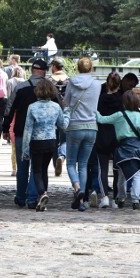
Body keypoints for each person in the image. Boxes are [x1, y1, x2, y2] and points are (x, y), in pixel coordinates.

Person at [2, 58, 49, 209]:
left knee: (22, 167)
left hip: (21, 131)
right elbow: (60, 107)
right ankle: (32, 198)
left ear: (31, 71)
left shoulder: (20, 88)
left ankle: (20, 197)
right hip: (42, 134)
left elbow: (9, 108)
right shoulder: (49, 89)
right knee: (37, 167)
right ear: (44, 72)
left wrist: (5, 127)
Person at [22, 79, 70, 211]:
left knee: (36, 171)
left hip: (37, 142)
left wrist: (25, 150)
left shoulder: (32, 107)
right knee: (44, 170)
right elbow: (63, 126)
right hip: (51, 142)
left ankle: (42, 193)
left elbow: (28, 130)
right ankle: (42, 200)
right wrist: (67, 112)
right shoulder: (56, 107)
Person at [96, 90, 140, 210]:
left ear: (123, 103)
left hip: (123, 148)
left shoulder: (119, 115)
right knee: (137, 175)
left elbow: (102, 120)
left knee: (122, 175)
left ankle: (121, 197)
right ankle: (135, 200)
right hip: (137, 148)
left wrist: (94, 110)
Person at [63, 56, 102, 211]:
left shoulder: (71, 83)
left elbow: (66, 102)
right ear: (91, 68)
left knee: (71, 163)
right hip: (92, 126)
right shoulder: (97, 85)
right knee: (84, 165)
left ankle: (78, 189)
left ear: (77, 68)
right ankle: (81, 201)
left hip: (74, 126)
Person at [93, 71, 123, 206]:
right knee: (118, 169)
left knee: (102, 169)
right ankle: (117, 198)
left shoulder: (101, 99)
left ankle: (104, 196)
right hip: (118, 136)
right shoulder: (122, 99)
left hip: (102, 136)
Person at [49, 57, 70, 176]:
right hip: (65, 113)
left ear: (54, 66)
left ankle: (55, 165)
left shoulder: (49, 80)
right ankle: (62, 156)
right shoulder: (69, 81)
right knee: (64, 140)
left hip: (52, 113)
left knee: (54, 140)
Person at [5, 66, 27, 176]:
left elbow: (8, 96)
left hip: (13, 115)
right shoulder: (26, 83)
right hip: (23, 115)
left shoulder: (9, 81)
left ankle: (14, 169)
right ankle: (25, 168)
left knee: (14, 149)